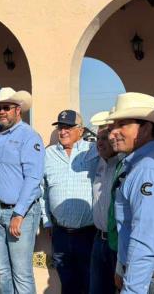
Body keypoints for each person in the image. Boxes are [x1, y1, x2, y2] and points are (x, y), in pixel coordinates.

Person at [107, 92, 154, 294]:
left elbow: (146, 239)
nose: (112, 132)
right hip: (147, 279)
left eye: (122, 124)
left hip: (150, 282)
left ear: (146, 128)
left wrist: (132, 289)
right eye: (113, 125)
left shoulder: (149, 169)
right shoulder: (143, 163)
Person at [0, 87, 44, 294]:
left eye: (5, 108)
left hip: (19, 213)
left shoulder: (29, 136)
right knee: (2, 270)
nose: (1, 111)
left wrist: (19, 213)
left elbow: (33, 178)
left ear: (18, 110)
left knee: (21, 272)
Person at [40, 109, 99, 294]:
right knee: (67, 283)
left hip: (88, 233)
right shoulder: (48, 155)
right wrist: (47, 221)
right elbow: (42, 191)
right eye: (60, 127)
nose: (63, 131)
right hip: (60, 234)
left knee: (90, 283)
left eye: (68, 127)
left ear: (80, 131)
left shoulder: (93, 152)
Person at [88, 110, 121, 294]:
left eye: (105, 137)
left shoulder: (124, 164)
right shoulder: (99, 163)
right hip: (99, 240)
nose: (100, 143)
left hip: (117, 243)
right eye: (97, 138)